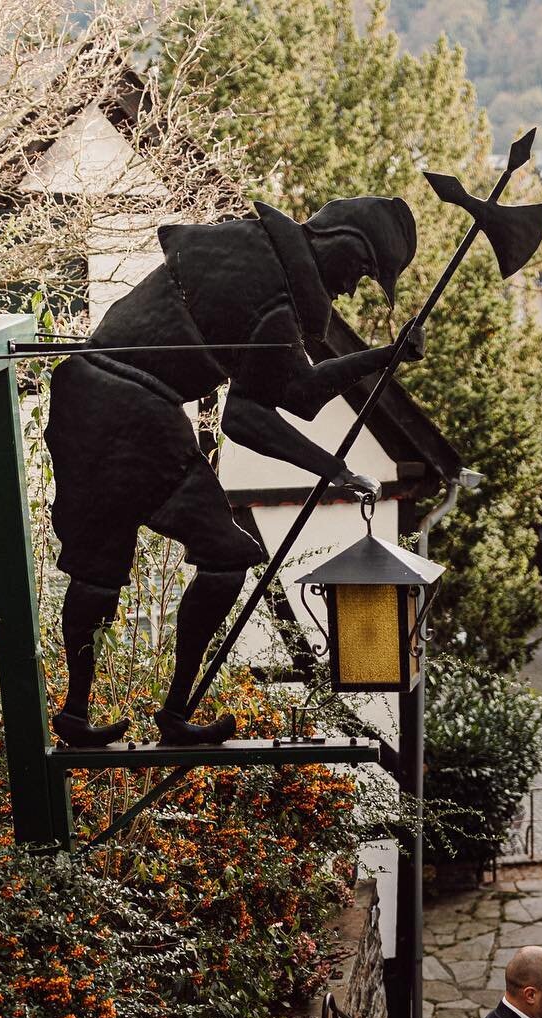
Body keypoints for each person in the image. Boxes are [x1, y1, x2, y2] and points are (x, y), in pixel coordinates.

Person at [44, 195, 418, 748]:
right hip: (132, 410)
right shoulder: (270, 299)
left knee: (100, 569)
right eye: (360, 271)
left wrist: (380, 360)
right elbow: (269, 409)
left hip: (98, 396)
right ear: (343, 244)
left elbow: (274, 397)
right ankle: (170, 714)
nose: (350, 288)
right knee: (225, 555)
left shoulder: (253, 255)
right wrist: (334, 464)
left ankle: (80, 713)